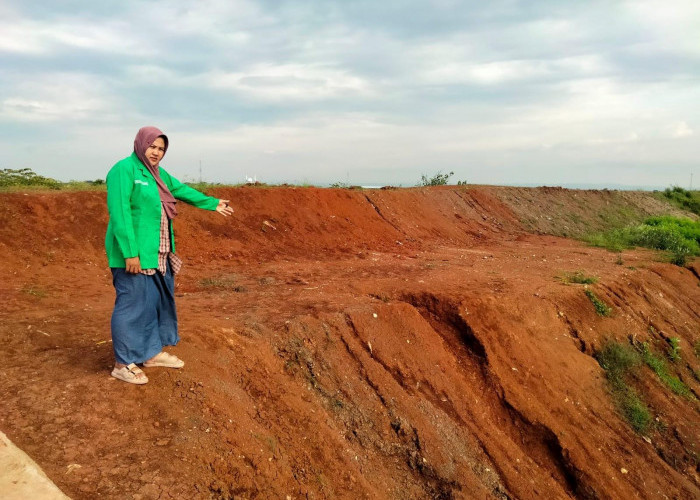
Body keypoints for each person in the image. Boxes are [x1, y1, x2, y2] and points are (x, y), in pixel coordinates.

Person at [105, 126, 234, 384]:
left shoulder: (159, 175)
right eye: (152, 146)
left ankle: (150, 354)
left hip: (158, 253)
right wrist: (130, 254)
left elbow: (183, 190)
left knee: (152, 304)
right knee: (132, 306)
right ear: (141, 144)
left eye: (161, 149)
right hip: (135, 256)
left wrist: (213, 203)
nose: (156, 152)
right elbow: (120, 213)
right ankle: (122, 363)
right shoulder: (124, 169)